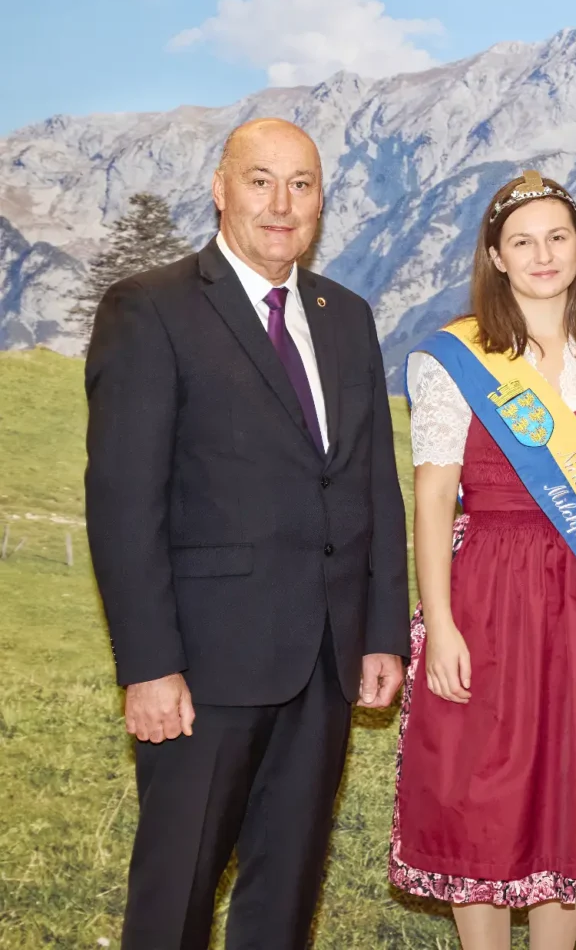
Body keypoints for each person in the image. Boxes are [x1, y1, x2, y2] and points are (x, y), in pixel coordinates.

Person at [84, 118, 409, 949]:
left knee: (284, 901)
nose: (281, 203)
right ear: (220, 189)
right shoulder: (150, 308)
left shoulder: (347, 315)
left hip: (326, 667)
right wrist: (150, 665)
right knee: (174, 900)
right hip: (204, 670)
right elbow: (125, 501)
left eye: (301, 184)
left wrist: (379, 634)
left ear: (322, 202)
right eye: (260, 181)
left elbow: (372, 485)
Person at [390, 170, 576, 950]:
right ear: (496, 256)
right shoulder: (457, 357)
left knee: (571, 785)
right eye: (522, 241)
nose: (542, 254)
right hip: (486, 592)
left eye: (556, 237)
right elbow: (434, 498)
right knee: (482, 788)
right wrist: (439, 626)